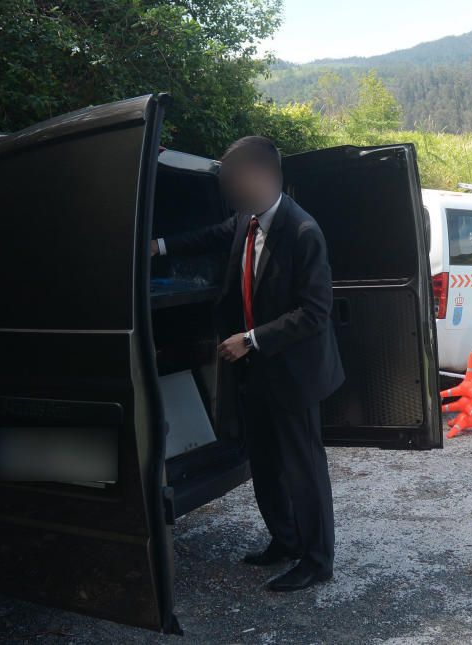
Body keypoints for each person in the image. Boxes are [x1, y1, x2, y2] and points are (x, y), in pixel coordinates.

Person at [151, 136, 344, 591]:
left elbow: (315, 313)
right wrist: (158, 246)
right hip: (256, 371)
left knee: (303, 467)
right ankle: (285, 539)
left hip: (294, 372)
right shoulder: (245, 220)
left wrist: (251, 339)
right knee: (264, 460)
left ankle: (317, 561)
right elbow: (208, 236)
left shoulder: (302, 232)